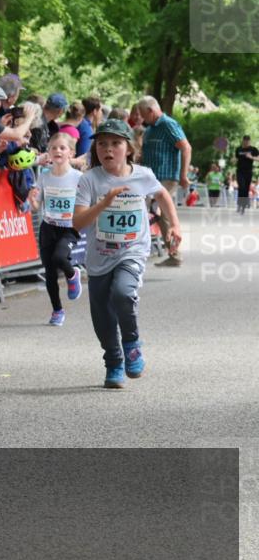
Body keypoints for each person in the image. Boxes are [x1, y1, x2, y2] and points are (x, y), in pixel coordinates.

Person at [73, 119, 181, 389]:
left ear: (129, 149)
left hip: (132, 250)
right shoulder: (89, 180)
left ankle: (131, 345)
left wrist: (175, 225)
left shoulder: (142, 175)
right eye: (102, 144)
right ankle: (113, 362)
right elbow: (78, 222)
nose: (108, 149)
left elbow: (162, 195)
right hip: (99, 257)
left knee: (123, 292)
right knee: (102, 316)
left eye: (115, 144)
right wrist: (105, 203)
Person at [29, 133, 83, 326]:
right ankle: (57, 310)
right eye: (54, 148)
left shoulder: (78, 178)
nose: (58, 151)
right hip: (48, 227)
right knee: (50, 272)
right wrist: (33, 201)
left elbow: (86, 204)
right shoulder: (44, 176)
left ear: (71, 152)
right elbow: (37, 206)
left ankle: (72, 274)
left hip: (69, 228)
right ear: (49, 153)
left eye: (62, 148)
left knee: (60, 258)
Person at [135, 96, 191, 266]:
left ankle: (174, 253)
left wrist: (183, 175)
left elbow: (186, 147)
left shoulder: (168, 124)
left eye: (144, 115)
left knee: (158, 209)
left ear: (151, 111)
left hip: (167, 177)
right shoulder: (150, 129)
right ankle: (172, 253)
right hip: (150, 178)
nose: (142, 119)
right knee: (157, 213)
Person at [234, 135, 258, 214]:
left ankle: (243, 206)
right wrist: (233, 160)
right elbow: (236, 158)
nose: (246, 142)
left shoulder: (253, 149)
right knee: (241, 187)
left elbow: (258, 158)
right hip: (240, 171)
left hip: (248, 172)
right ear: (243, 141)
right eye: (245, 140)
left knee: (246, 189)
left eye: (248, 141)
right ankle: (239, 205)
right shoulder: (238, 149)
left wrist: (251, 157)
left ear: (249, 141)